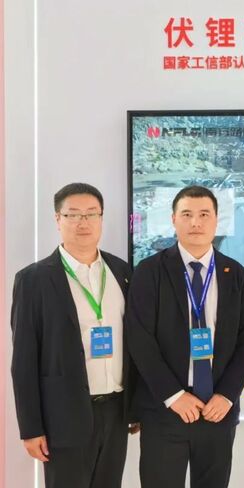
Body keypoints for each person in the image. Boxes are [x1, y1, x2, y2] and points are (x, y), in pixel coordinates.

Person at [127, 185, 244, 488]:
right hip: (165, 410)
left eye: (204, 214)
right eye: (186, 214)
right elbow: (140, 339)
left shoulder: (236, 274)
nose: (195, 222)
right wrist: (174, 396)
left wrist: (226, 395)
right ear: (173, 219)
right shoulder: (150, 271)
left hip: (217, 410)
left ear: (216, 220)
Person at [10, 182, 135, 488]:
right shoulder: (34, 280)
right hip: (63, 414)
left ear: (101, 219)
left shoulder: (122, 272)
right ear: (58, 219)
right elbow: (24, 360)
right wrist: (31, 428)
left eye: (92, 214)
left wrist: (137, 407)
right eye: (73, 214)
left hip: (116, 411)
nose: (83, 222)